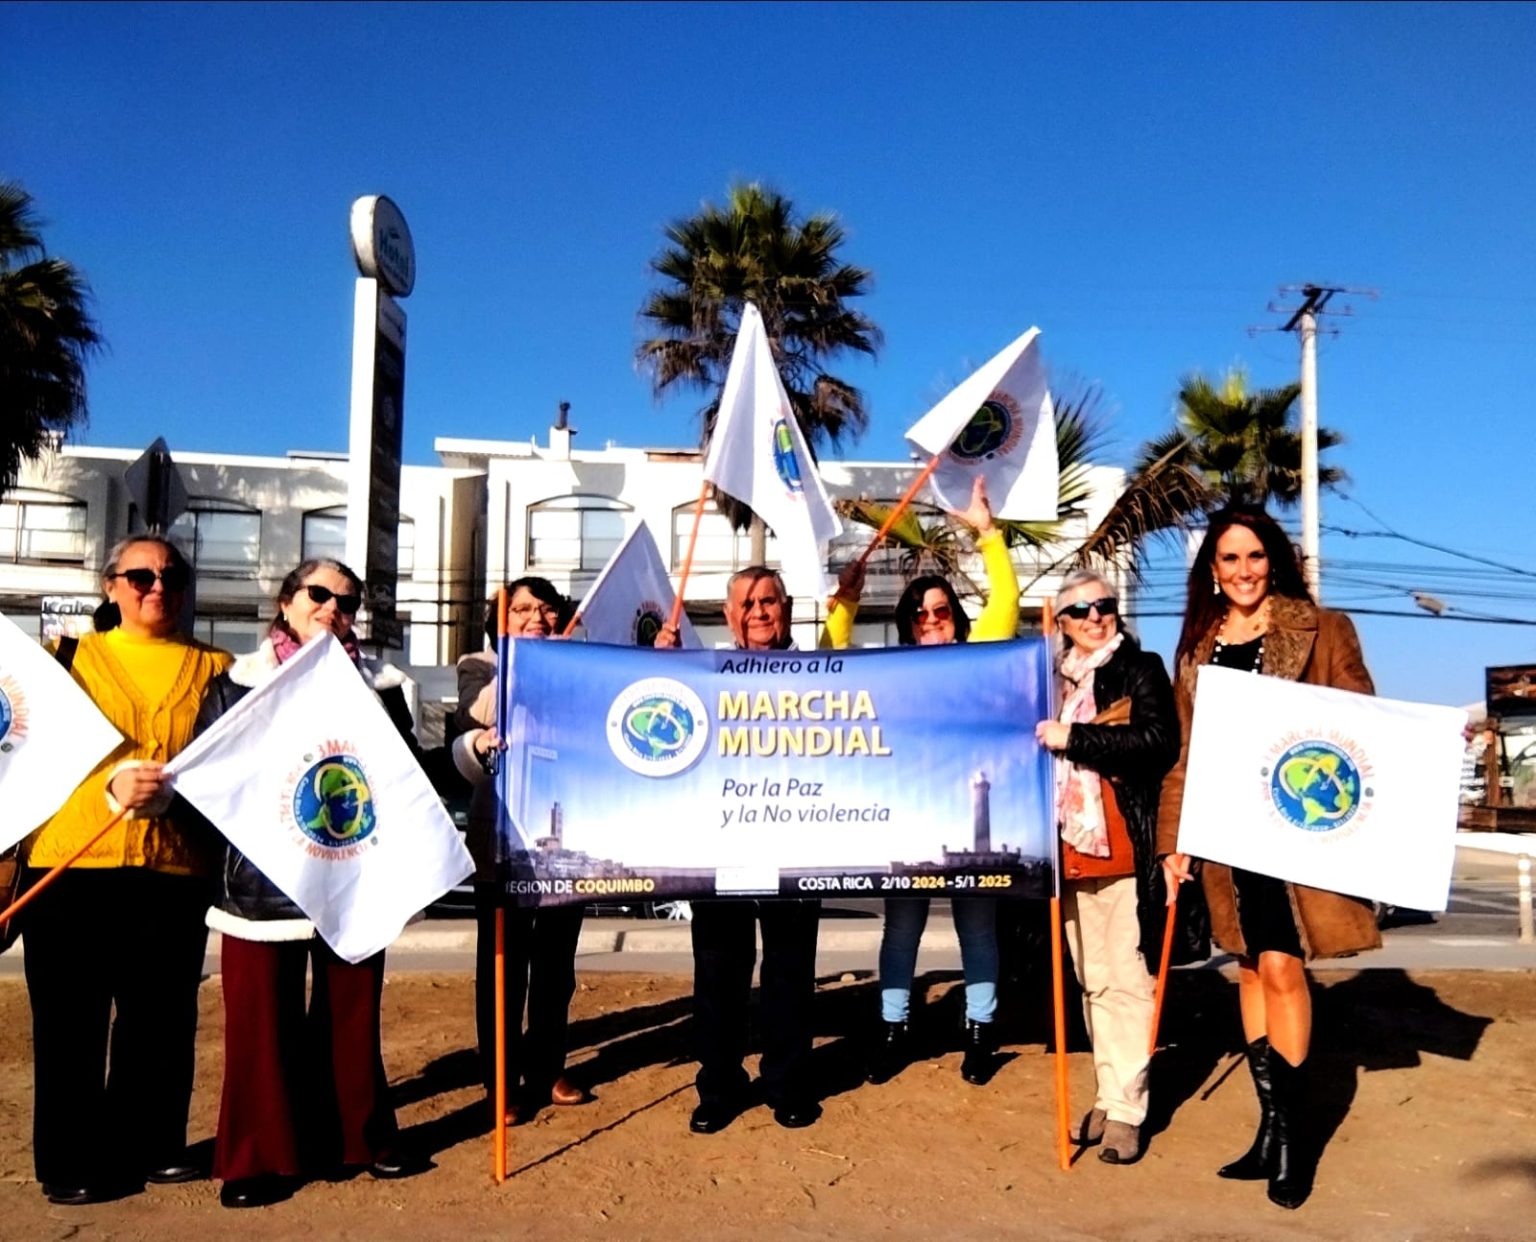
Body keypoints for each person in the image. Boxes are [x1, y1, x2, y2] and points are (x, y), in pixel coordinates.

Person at [196, 558, 495, 1208]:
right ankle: (258, 1158)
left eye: (349, 600)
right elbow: (209, 780)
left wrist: (470, 753)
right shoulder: (235, 685)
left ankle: (359, 1139)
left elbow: (410, 775)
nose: (334, 607)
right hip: (259, 884)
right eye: (320, 594)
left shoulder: (381, 689)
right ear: (287, 602)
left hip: (355, 874)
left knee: (352, 1018)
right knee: (260, 1027)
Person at [1158, 505, 1377, 1210]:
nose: (1244, 570)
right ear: (1212, 571)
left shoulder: (1324, 629)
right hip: (1227, 835)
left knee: (1283, 967)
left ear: (1274, 561)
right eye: (1230, 558)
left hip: (1295, 830)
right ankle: (1270, 1128)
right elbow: (1186, 756)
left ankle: (1293, 1141)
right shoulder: (1196, 649)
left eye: (1255, 556)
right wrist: (1173, 841)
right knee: (1250, 969)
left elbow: (1362, 717)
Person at [20, 535, 232, 1205]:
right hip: (70, 865)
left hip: (175, 867)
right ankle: (69, 1159)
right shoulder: (63, 661)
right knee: (69, 1022)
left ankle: (150, 1143)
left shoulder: (220, 669)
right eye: (140, 576)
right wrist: (106, 791)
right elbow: (23, 762)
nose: (157, 587)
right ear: (111, 585)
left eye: (172, 575)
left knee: (161, 1018)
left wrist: (181, 799)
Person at [829, 479, 1016, 1086]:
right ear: (908, 627)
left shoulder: (979, 653)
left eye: (940, 611)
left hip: (969, 814)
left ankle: (980, 1033)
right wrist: (847, 601)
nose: (931, 620)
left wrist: (988, 535)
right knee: (902, 928)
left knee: (977, 930)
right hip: (907, 817)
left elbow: (1006, 600)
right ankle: (893, 1030)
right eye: (919, 615)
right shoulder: (895, 671)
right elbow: (830, 664)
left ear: (956, 619)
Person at [1034, 569, 1202, 1165]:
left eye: (1103, 605)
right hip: (1069, 854)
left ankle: (1128, 1109)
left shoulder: (1140, 667)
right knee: (1094, 980)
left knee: (1128, 982)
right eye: (1080, 611)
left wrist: (1075, 738)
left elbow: (1157, 743)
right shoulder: (1051, 680)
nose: (1095, 617)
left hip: (1124, 848)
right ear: (1062, 622)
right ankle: (1110, 1092)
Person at [680, 566, 825, 1133]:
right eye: (748, 604)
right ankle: (718, 1085)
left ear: (785, 608)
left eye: (769, 601)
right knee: (719, 970)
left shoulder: (819, 672)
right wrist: (659, 663)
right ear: (728, 614)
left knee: (790, 968)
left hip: (796, 841)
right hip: (721, 843)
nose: (759, 612)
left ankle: (788, 1082)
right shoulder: (703, 675)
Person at [456, 576, 588, 1121]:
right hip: (502, 840)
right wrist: (527, 662)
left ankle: (548, 1066)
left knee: (556, 965)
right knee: (502, 967)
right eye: (523, 609)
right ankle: (500, 1079)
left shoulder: (578, 669)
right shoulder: (478, 665)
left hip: (564, 836)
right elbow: (480, 713)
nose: (537, 617)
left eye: (546, 608)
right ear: (500, 620)